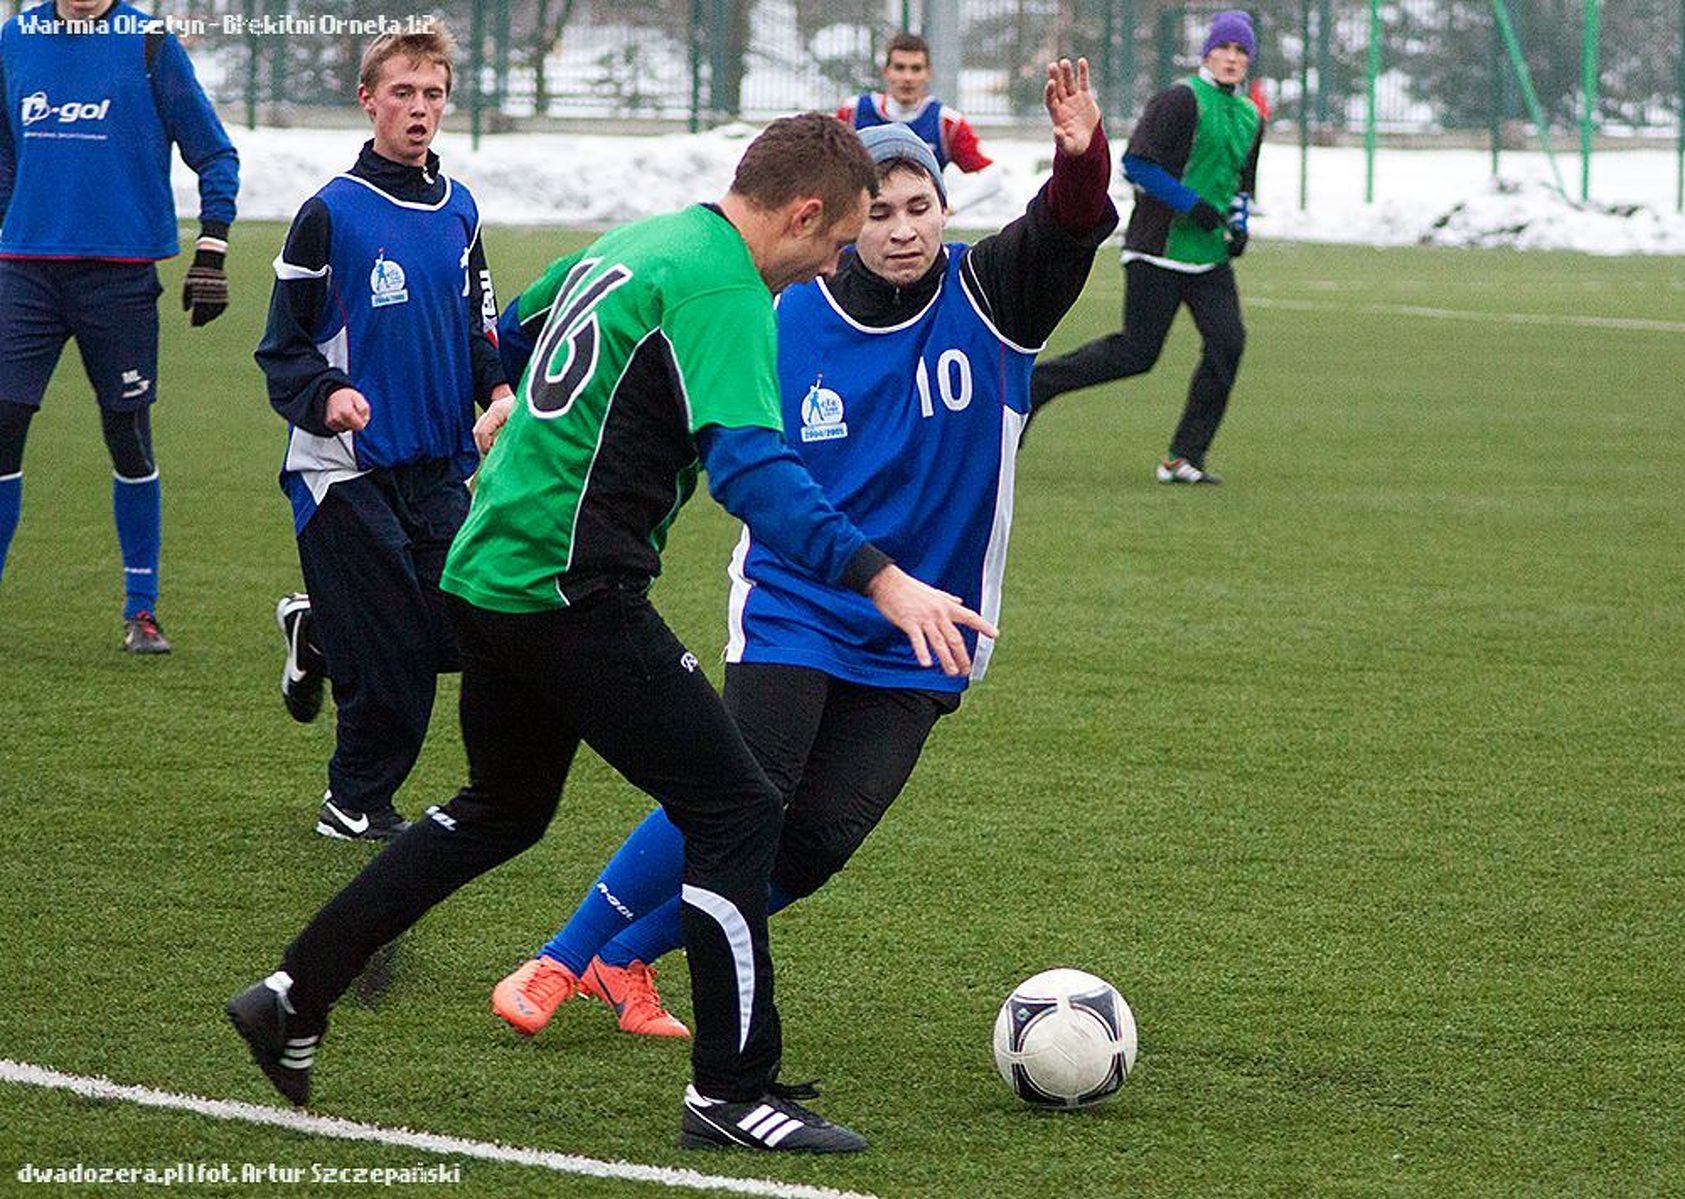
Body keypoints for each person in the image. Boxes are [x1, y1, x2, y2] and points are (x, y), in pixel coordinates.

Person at [227, 112, 997, 1155]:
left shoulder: (643, 240)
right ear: (806, 213)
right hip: (568, 588)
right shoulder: (725, 286)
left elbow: (509, 333)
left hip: (487, 568)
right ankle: (731, 1089)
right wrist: (883, 579)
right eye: (830, 243)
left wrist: (501, 397)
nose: (825, 268)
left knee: (500, 807)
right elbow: (754, 472)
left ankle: (291, 990)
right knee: (734, 807)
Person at [488, 61, 1115, 1046]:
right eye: (882, 212)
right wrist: (505, 391)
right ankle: (561, 957)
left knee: (816, 840)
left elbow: (1069, 226)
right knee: (747, 784)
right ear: (841, 222)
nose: (903, 229)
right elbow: (615, 331)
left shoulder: (993, 297)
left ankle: (625, 960)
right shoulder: (779, 306)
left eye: (922, 206)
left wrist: (1080, 160)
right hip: (797, 594)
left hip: (928, 626)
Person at [253, 26, 511, 843]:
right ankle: (355, 801)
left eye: (433, 94)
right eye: (402, 93)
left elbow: (478, 325)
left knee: (472, 624)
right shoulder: (329, 214)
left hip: (437, 463)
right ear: (368, 100)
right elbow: (282, 347)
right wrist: (326, 395)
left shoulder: (460, 208)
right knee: (396, 656)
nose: (419, 109)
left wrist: (498, 388)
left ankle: (320, 629)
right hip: (344, 470)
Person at [0, 0, 238, 652]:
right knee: (2, 427)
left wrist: (212, 245)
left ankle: (142, 609)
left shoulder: (151, 44)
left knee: (127, 436)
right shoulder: (15, 38)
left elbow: (215, 154)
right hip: (25, 273)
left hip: (120, 277)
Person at [1027, 10, 1262, 486]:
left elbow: (1242, 182)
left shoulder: (1251, 115)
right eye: (1225, 48)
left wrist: (1238, 225)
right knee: (1138, 353)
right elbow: (1138, 163)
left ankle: (1184, 457)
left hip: (1207, 256)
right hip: (1156, 248)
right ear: (1207, 52)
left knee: (1228, 343)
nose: (1233, 58)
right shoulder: (1181, 99)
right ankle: (1038, 385)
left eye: (1242, 51)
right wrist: (1189, 204)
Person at [837, 31, 992, 177]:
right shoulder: (852, 112)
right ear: (886, 72)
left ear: (928, 73)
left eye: (916, 69)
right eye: (899, 68)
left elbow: (991, 175)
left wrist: (955, 204)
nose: (908, 77)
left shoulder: (946, 123)